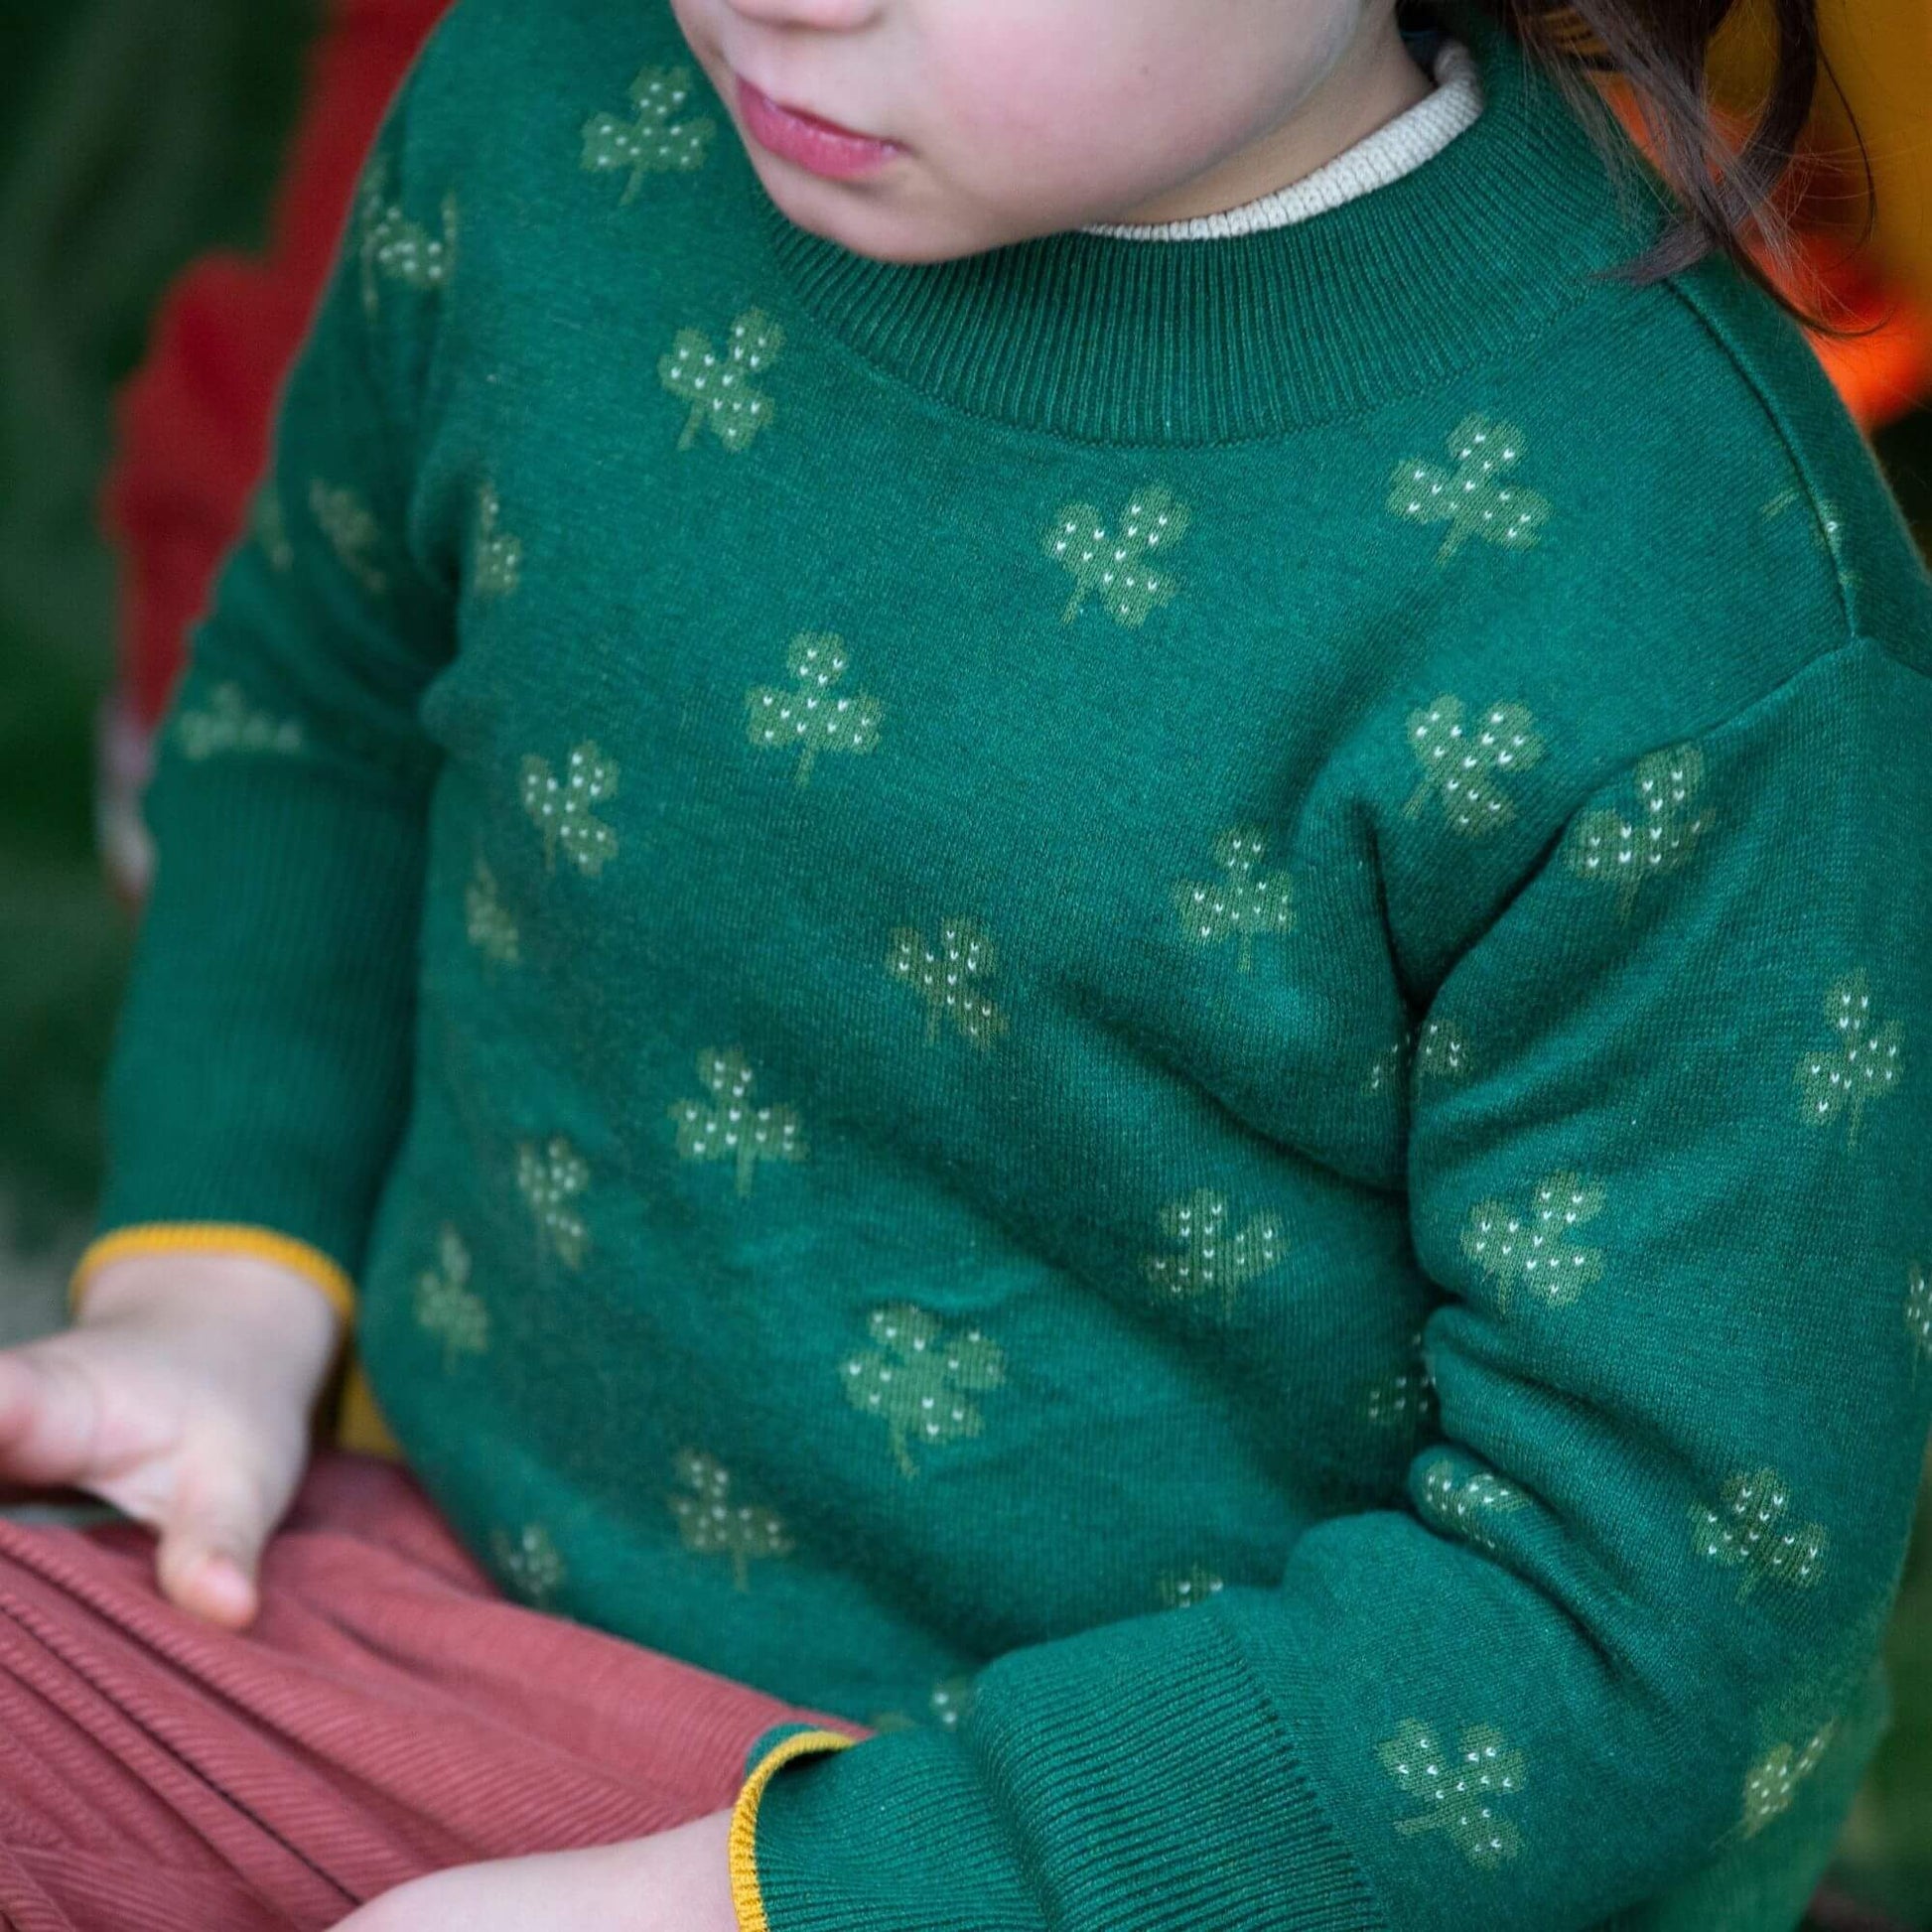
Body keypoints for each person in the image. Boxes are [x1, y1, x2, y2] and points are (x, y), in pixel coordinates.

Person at [5, 0, 1931, 1926]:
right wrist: (213, 1288)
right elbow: (328, 702)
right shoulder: (548, 107)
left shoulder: (1689, 600)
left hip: (1164, 1857)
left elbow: (1634, 1617)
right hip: (428, 1587)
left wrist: (764, 1898)